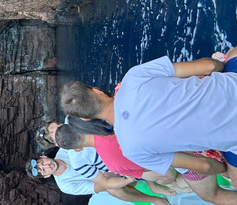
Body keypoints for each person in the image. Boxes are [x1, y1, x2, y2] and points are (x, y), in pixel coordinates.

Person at [59, 49, 236, 177]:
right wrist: (222, 61)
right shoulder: (134, 76)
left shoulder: (131, 150)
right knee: (231, 54)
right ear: (97, 91)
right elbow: (210, 66)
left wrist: (225, 170)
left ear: (86, 118)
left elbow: (204, 166)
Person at [30, 149, 180, 205]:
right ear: (46, 176)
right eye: (43, 170)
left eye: (42, 163)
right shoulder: (65, 185)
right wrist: (120, 176)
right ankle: (156, 199)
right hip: (112, 176)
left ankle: (150, 182)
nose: (46, 166)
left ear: (43, 157)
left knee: (168, 175)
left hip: (117, 161)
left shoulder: (66, 148)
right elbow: (98, 186)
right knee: (113, 190)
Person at [54, 123, 187, 195]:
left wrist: (129, 176)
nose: (45, 166)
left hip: (141, 153)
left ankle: (171, 182)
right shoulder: (79, 162)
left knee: (171, 173)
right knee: (168, 173)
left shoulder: (112, 162)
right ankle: (162, 186)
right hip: (154, 141)